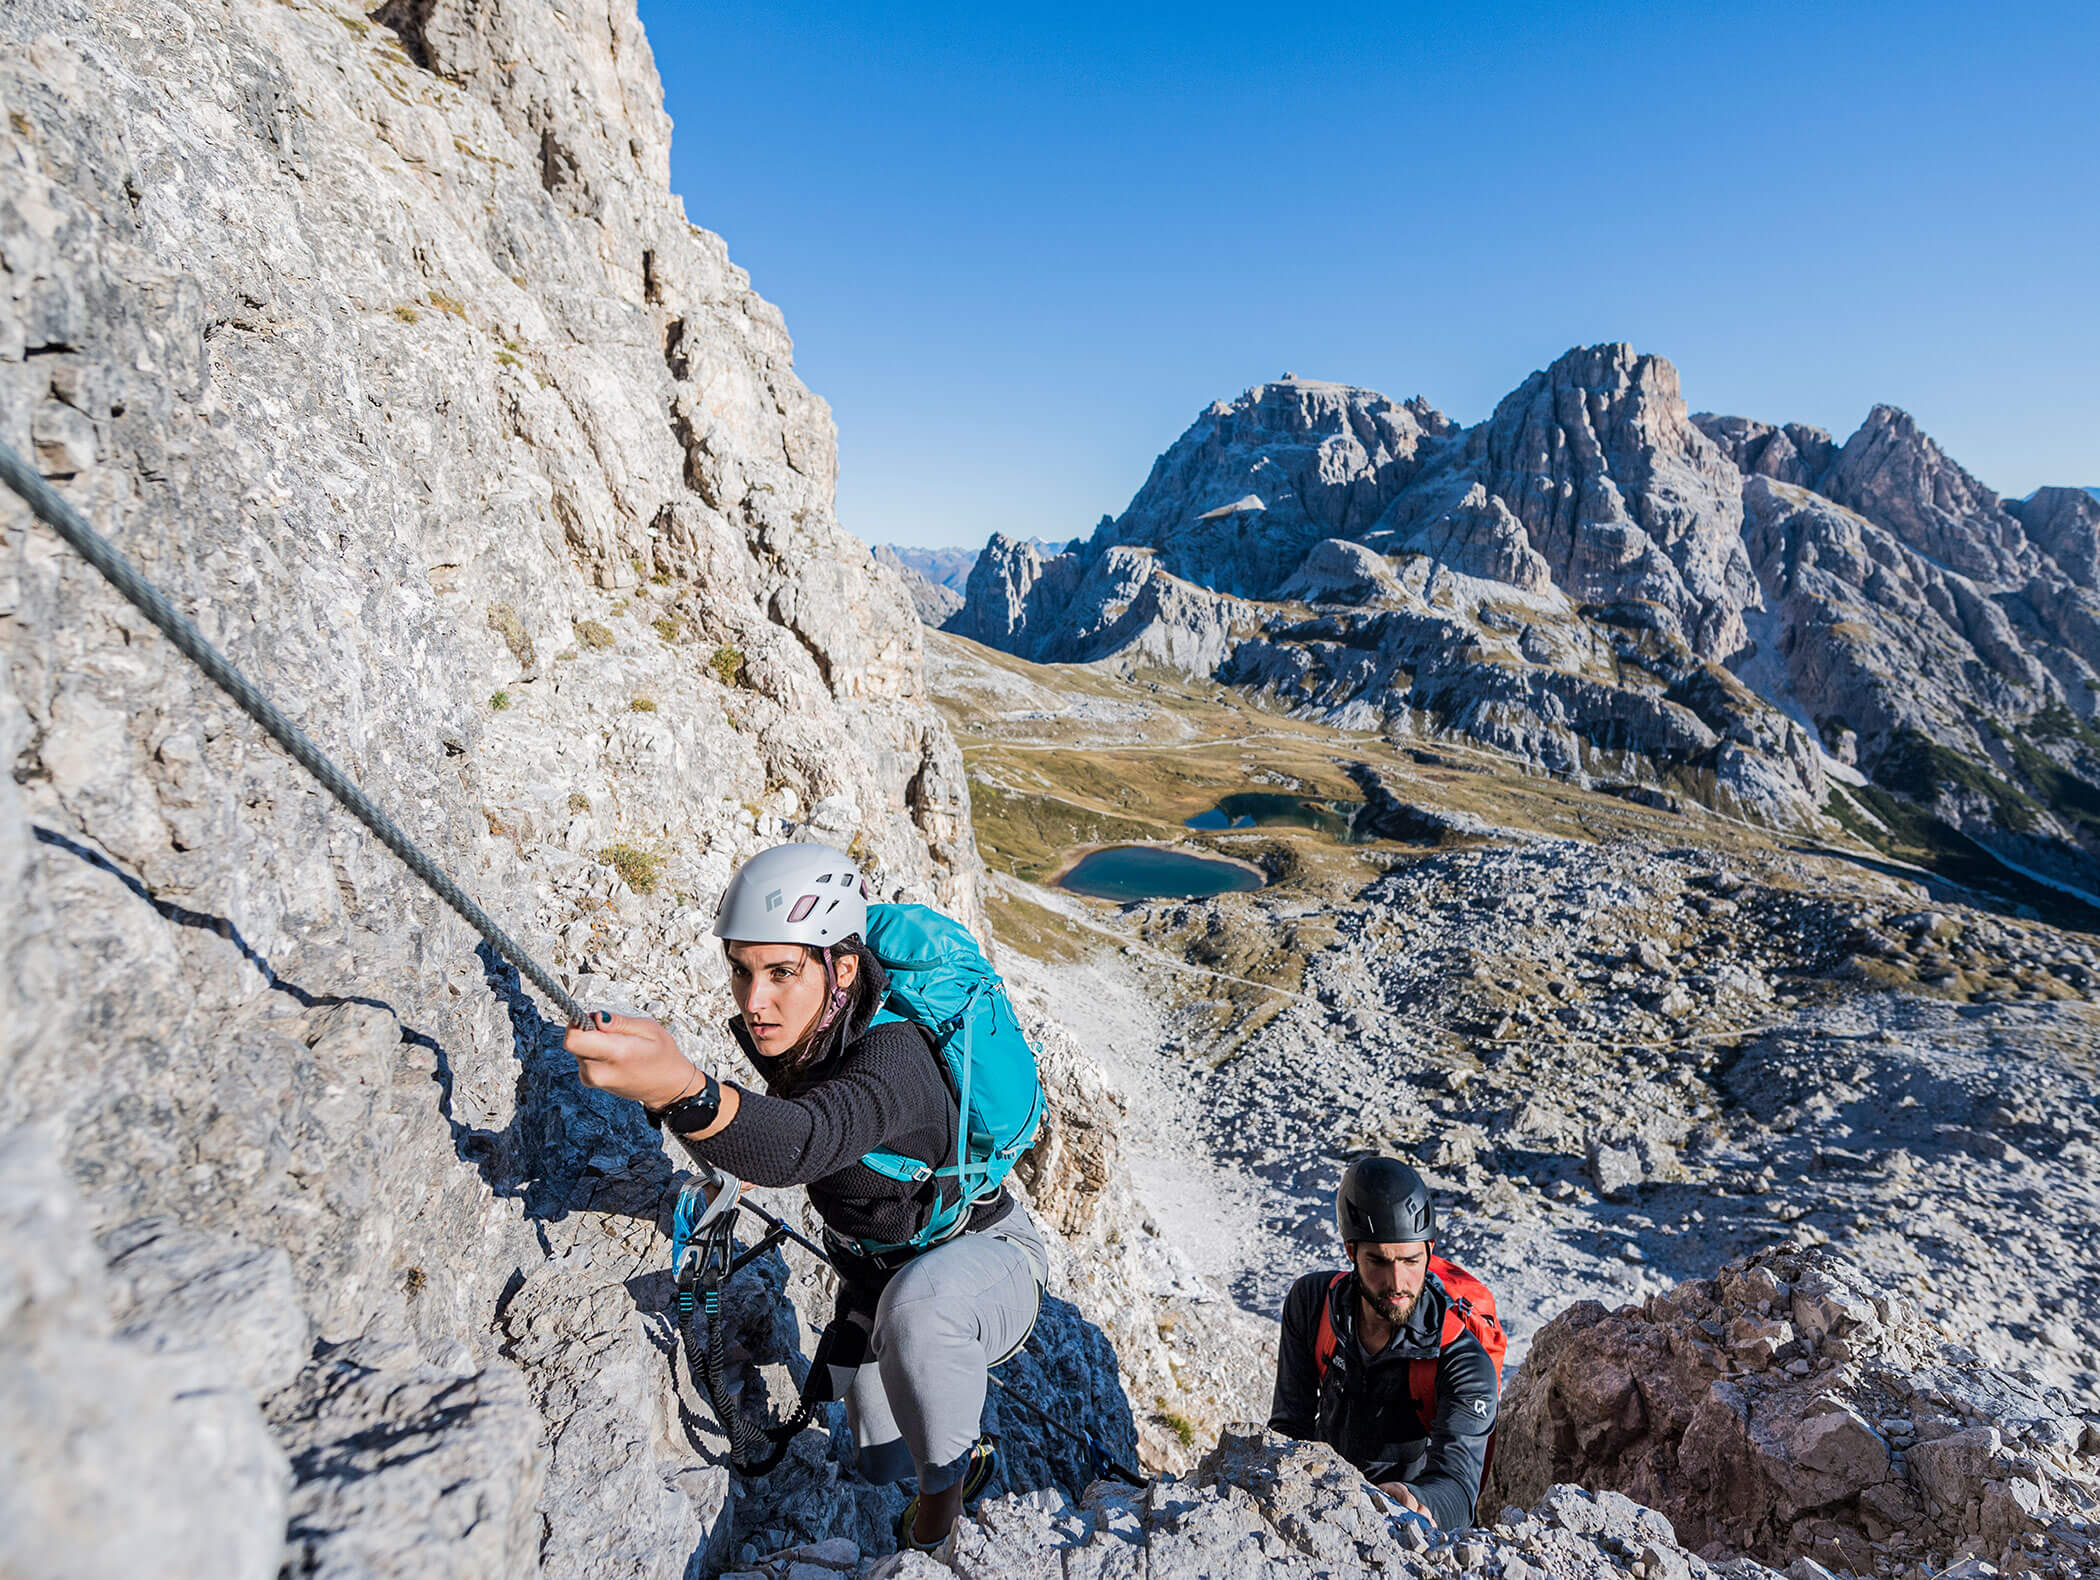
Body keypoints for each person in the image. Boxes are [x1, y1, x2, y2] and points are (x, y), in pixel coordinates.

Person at [563, 842, 1047, 1553]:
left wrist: (682, 1091)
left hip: (982, 1263)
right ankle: (924, 1472)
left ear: (842, 967)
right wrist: (711, 1130)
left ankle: (940, 1526)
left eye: (781, 972)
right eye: (741, 971)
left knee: (922, 1323)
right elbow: (794, 1134)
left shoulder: (894, 1058)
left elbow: (806, 1139)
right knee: (878, 1461)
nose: (756, 1002)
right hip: (877, 1277)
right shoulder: (815, 1031)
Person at [1268, 1156, 1499, 1532]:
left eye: (1410, 1261)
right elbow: (1287, 1427)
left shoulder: (1460, 1359)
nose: (1397, 1282)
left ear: (1429, 1249)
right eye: (1378, 1260)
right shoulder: (1312, 1303)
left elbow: (1458, 1490)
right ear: (1351, 1252)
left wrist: (1415, 1500)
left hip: (1400, 1519)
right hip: (1313, 1501)